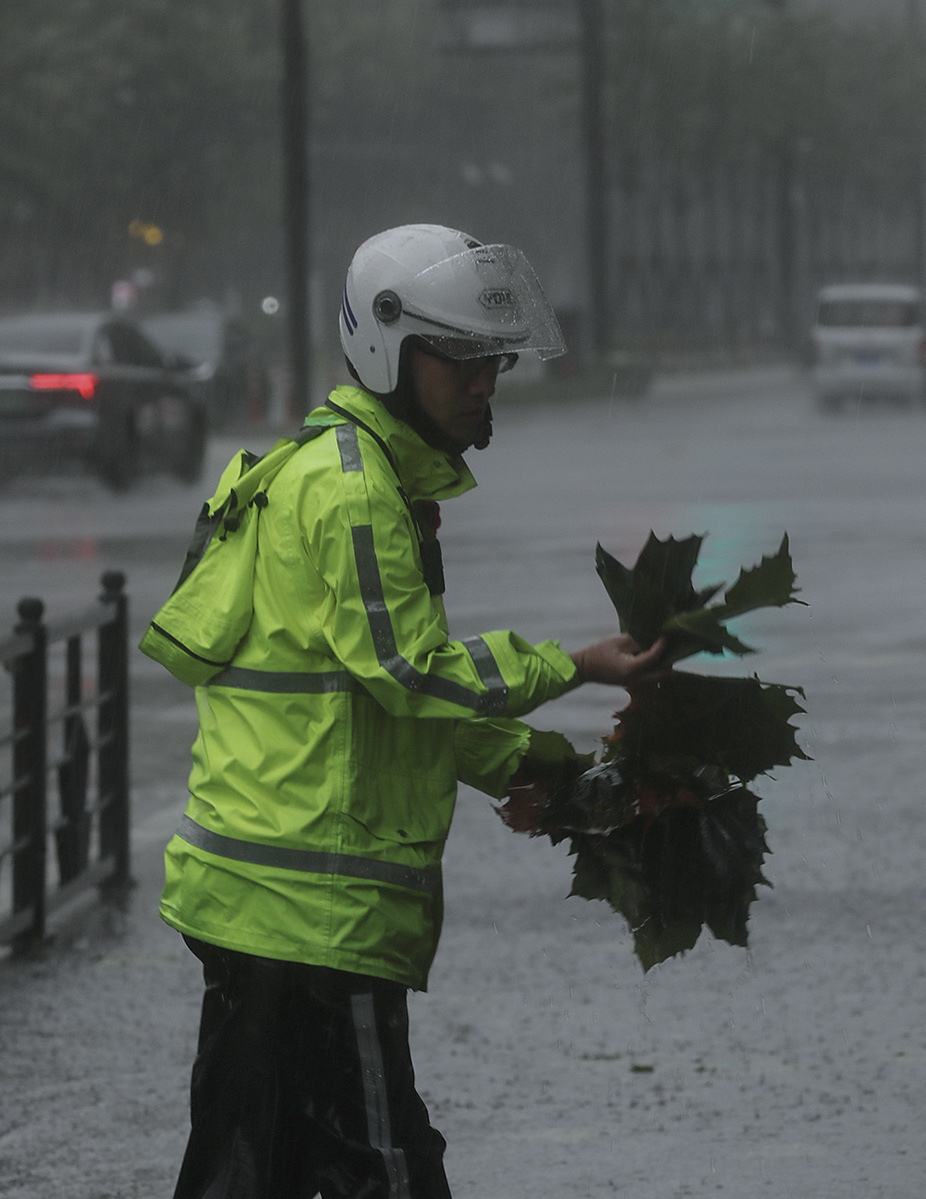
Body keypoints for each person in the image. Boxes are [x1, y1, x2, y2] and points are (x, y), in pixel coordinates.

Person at [141, 224, 665, 1198]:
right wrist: (575, 664)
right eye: (461, 359)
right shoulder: (354, 492)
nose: (483, 383)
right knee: (383, 1167)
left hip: (260, 895)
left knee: (244, 1163)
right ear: (388, 347)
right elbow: (404, 670)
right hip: (313, 910)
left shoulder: (351, 474)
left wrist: (536, 770)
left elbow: (377, 695)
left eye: (492, 361)